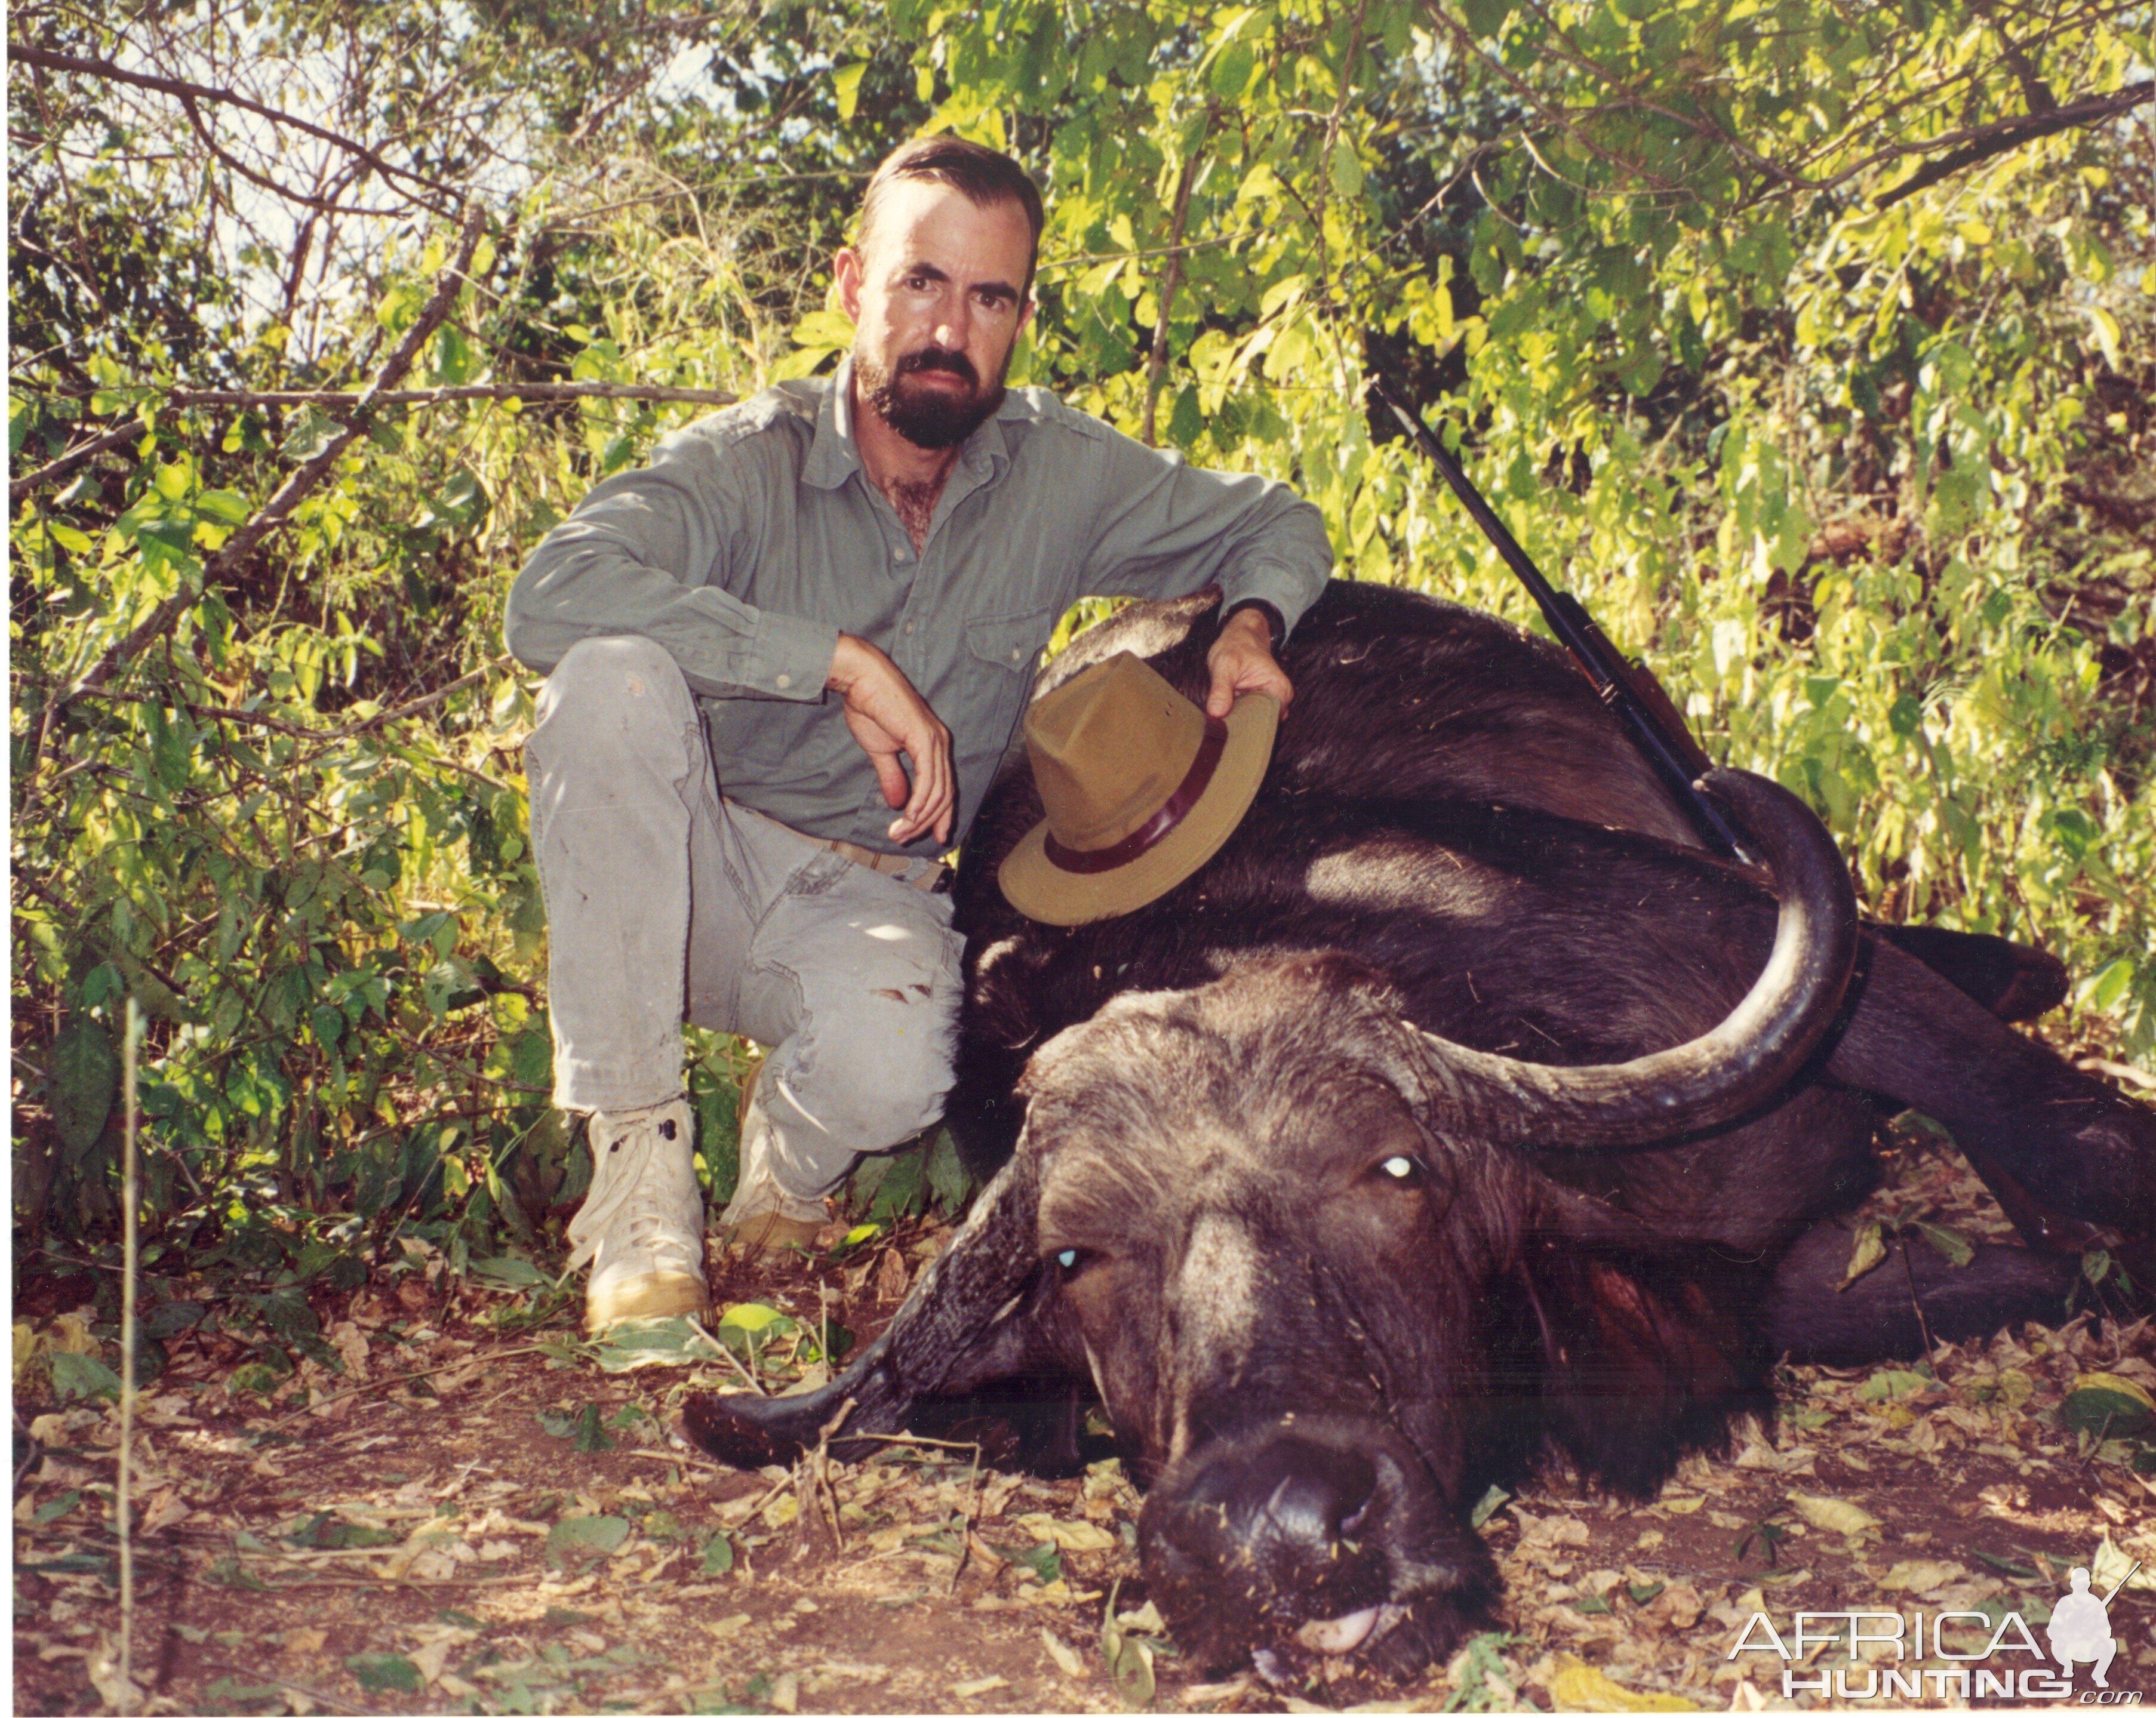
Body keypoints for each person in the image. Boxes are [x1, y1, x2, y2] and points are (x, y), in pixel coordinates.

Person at [505, 134, 1333, 1332]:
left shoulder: (1057, 470)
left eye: (987, 296)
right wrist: (828, 660)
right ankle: (636, 1177)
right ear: (853, 285)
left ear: (1020, 316)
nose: (950, 326)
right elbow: (550, 594)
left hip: (866, 887)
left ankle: (785, 1166)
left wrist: (1248, 624)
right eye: (920, 282)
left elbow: (1275, 519)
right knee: (609, 682)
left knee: (899, 1072)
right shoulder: (746, 461)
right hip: (686, 865)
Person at [2047, 1566, 2117, 1687]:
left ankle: (2099, 1675)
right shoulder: (2065, 1602)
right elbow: (2053, 1628)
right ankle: (2068, 1669)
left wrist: (2093, 1630)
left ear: (2089, 1584)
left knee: (2111, 1644)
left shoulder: (2096, 1603)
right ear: (2072, 1584)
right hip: (2068, 1645)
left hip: (2090, 1644)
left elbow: (2106, 1630)